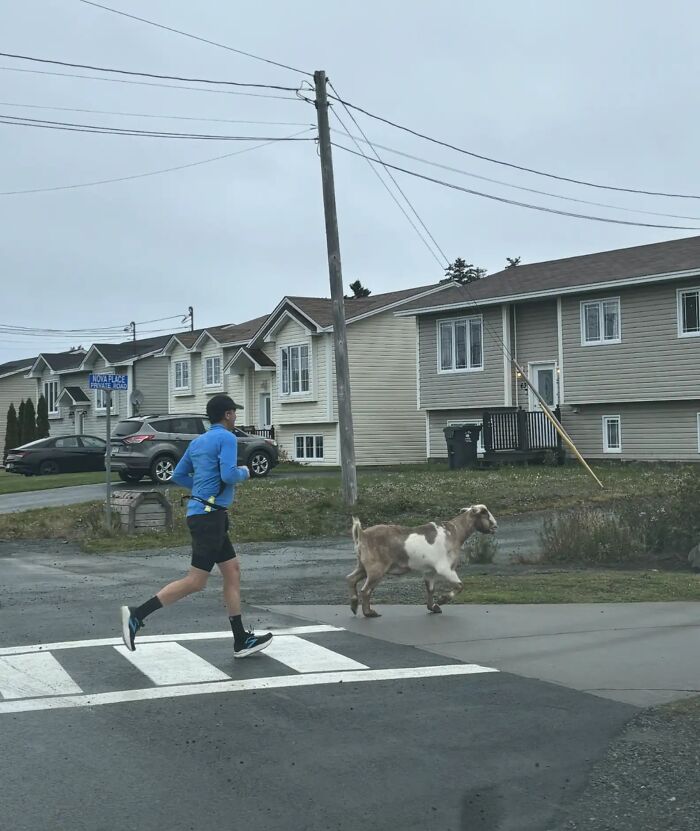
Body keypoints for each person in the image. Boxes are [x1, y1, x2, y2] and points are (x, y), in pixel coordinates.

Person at [120, 394, 273, 658]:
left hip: (206, 514)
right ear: (226, 415)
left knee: (232, 571)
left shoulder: (198, 441)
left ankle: (241, 640)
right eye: (234, 412)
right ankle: (137, 615)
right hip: (209, 517)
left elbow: (178, 475)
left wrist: (201, 490)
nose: (235, 416)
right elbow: (228, 474)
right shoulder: (226, 437)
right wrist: (246, 472)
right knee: (195, 581)